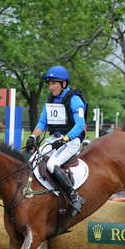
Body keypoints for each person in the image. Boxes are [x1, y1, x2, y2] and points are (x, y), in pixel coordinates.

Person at [25, 65, 87, 216]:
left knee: (52, 164)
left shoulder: (75, 100)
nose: (51, 87)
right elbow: (42, 122)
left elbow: (80, 124)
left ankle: (74, 197)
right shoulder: (51, 100)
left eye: (54, 83)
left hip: (71, 140)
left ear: (63, 84)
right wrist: (33, 137)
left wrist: (66, 138)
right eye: (49, 84)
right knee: (33, 160)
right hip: (54, 139)